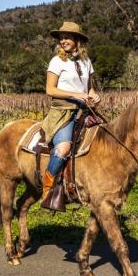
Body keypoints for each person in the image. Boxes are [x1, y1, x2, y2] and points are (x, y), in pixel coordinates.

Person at [40, 22, 100, 210]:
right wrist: (75, 95)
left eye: (68, 37)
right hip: (62, 113)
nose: (63, 40)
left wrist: (94, 95)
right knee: (64, 149)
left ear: (77, 41)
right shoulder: (57, 61)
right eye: (62, 37)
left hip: (84, 111)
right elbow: (50, 89)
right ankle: (47, 190)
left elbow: (89, 87)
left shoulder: (86, 61)